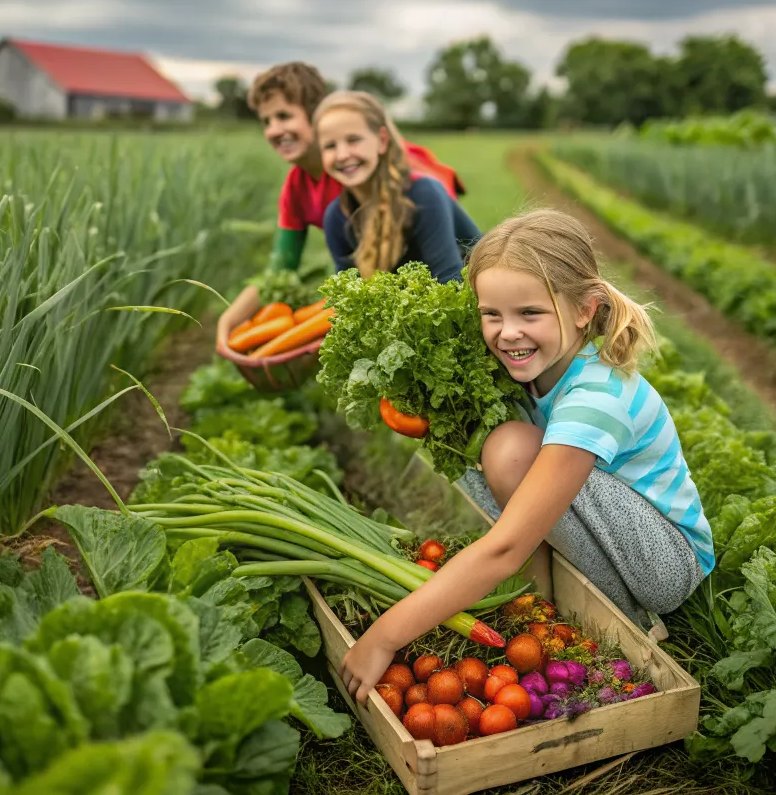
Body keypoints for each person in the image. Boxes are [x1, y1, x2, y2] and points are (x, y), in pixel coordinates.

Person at [339, 208, 715, 705]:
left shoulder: (597, 394)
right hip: (606, 534)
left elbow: (506, 544)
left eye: (529, 314)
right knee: (480, 445)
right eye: (491, 314)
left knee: (509, 449)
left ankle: (627, 618)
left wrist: (385, 636)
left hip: (664, 562)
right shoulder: (529, 370)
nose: (507, 333)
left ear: (585, 309)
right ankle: (542, 604)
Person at [215, 63, 465, 351]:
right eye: (266, 121)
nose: (274, 130)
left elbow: (447, 273)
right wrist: (231, 320)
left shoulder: (387, 177)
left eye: (284, 116)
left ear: (315, 116)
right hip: (396, 295)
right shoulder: (314, 198)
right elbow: (287, 268)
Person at [313, 91, 480, 283]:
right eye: (330, 146)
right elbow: (346, 293)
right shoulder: (336, 216)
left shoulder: (424, 194)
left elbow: (451, 282)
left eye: (353, 140)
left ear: (382, 140)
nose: (342, 155)